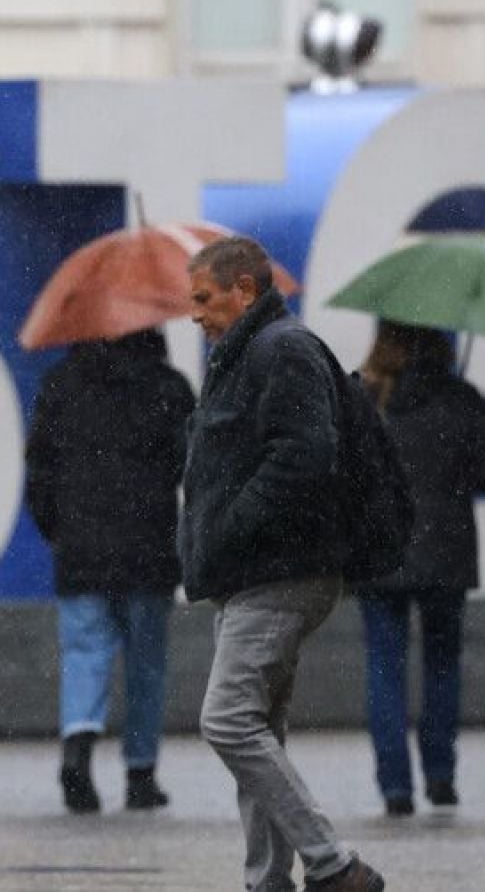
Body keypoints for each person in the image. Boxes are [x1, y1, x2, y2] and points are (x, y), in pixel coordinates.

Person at [180, 237, 386, 892]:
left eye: (205, 298)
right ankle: (268, 879)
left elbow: (304, 455)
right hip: (255, 572)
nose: (195, 314)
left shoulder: (281, 349)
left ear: (244, 289)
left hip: (279, 571)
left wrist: (230, 529)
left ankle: (333, 864)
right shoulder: (249, 353)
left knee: (227, 719)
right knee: (257, 725)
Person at [24, 329, 194, 814]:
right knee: (146, 662)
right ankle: (141, 774)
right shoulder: (168, 387)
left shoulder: (60, 384)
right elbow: (190, 464)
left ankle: (77, 749)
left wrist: (58, 528)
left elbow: (39, 470)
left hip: (81, 549)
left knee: (84, 652)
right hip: (148, 546)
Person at [353, 321, 485, 816]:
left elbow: (346, 473)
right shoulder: (459, 397)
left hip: (381, 552)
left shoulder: (366, 396)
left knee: (384, 668)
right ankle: (441, 775)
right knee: (442, 664)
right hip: (446, 552)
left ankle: (394, 787)